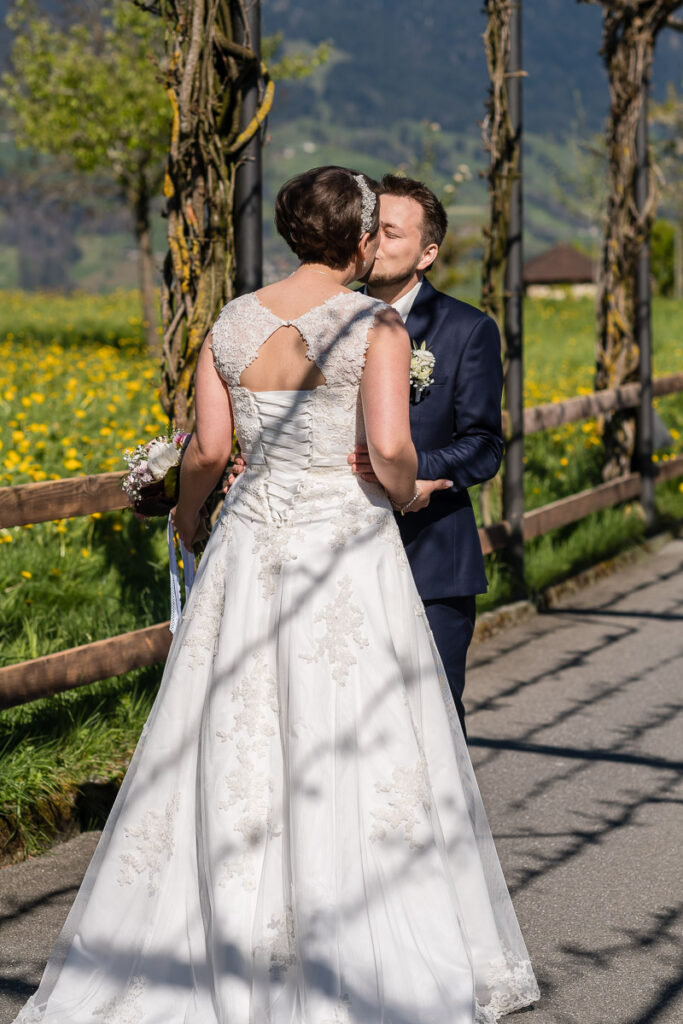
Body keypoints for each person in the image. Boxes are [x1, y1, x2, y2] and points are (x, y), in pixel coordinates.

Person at [12, 166, 538, 1024]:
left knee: (230, 730)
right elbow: (390, 449)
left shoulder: (231, 323)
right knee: (357, 735)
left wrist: (187, 523)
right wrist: (399, 488)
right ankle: (359, 941)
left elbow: (210, 452)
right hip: (345, 550)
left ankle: (206, 928)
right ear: (363, 239)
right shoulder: (373, 325)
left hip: (250, 547)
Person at [350, 176, 504, 735]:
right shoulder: (328, 325)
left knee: (431, 723)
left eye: (391, 232)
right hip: (339, 559)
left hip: (431, 558)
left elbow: (485, 446)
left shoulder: (466, 330)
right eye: (371, 230)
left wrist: (420, 476)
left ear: (427, 253)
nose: (375, 242)